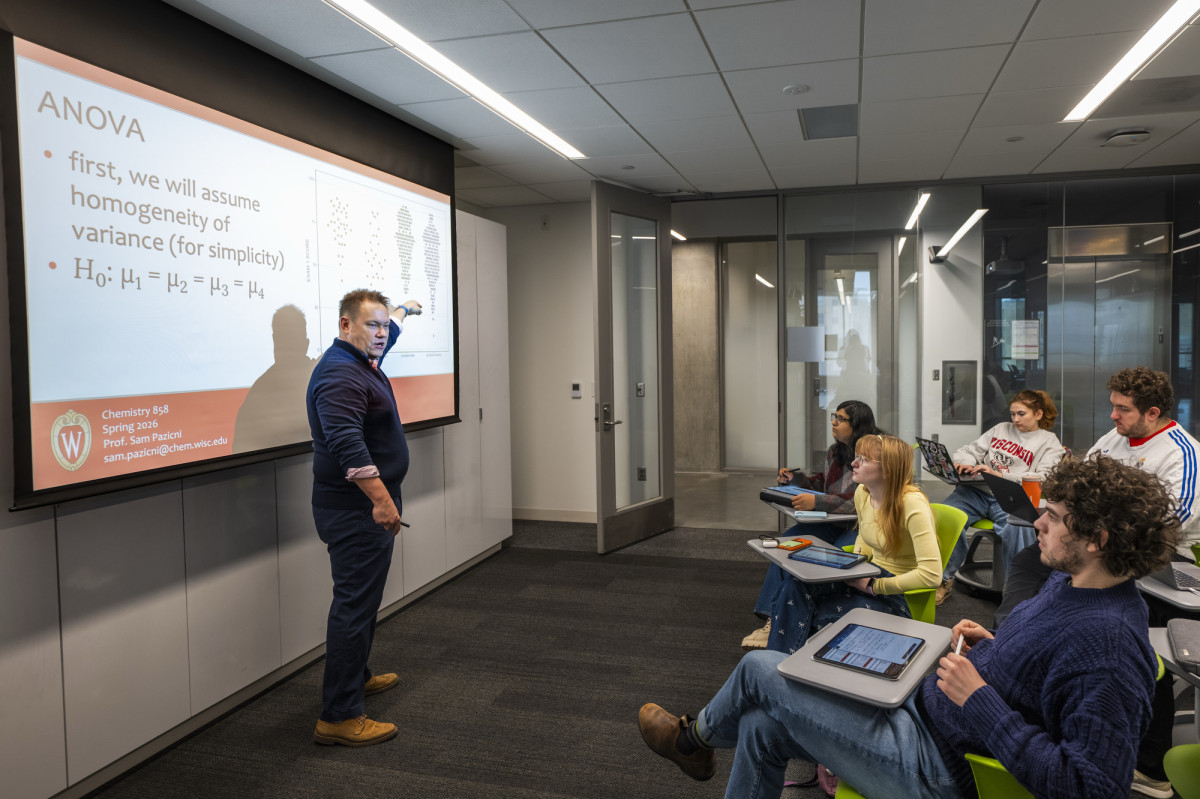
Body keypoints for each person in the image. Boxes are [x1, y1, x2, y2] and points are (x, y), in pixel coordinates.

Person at [637, 455, 1178, 799]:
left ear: (1098, 539)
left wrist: (979, 696)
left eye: (1054, 516)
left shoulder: (1107, 646)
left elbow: (1090, 787)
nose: (1037, 521)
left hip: (939, 767)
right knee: (759, 727)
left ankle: (692, 740)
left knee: (759, 669)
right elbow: (1043, 665)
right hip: (922, 712)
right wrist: (997, 647)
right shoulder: (1076, 583)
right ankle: (698, 744)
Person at [996, 367, 1200, 797]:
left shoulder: (1182, 452)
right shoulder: (1114, 440)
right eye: (1112, 405)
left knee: (1141, 646)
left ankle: (1151, 767)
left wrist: (1094, 540)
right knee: (1029, 563)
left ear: (1154, 412)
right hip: (1095, 545)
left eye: (1122, 409)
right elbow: (1084, 484)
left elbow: (1165, 525)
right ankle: (1014, 650)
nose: (1112, 416)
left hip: (1158, 561)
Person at [307, 288, 421, 747]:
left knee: (364, 601)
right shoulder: (340, 375)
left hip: (363, 507)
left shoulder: (361, 357)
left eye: (383, 325)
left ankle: (356, 676)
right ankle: (338, 716)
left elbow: (385, 330)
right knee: (354, 608)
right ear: (344, 326)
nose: (381, 334)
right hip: (358, 510)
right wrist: (381, 501)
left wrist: (400, 311)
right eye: (370, 325)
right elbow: (346, 444)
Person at [760, 434, 941, 654]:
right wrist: (853, 564)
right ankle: (775, 666)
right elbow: (865, 535)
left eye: (863, 460)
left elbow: (932, 575)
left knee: (806, 612)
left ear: (888, 469)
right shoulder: (863, 493)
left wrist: (876, 585)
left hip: (895, 595)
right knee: (793, 585)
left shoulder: (912, 504)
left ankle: (777, 669)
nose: (854, 464)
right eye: (856, 457)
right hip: (867, 575)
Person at [743, 401, 882, 648]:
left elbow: (857, 501)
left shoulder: (876, 452)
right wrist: (796, 479)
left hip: (861, 528)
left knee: (835, 557)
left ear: (856, 424)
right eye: (833, 416)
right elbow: (825, 485)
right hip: (833, 522)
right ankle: (772, 619)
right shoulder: (835, 451)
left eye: (840, 419)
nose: (834, 422)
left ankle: (809, 618)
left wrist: (817, 502)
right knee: (785, 545)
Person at [936, 389, 1064, 604]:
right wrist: (966, 462)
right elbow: (968, 450)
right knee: (944, 516)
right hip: (976, 491)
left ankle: (1016, 589)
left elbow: (1043, 477)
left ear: (1039, 414)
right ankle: (942, 580)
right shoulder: (1000, 429)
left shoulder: (1049, 442)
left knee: (1017, 528)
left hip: (1010, 496)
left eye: (1021, 414)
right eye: (1012, 414)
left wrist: (1000, 475)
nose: (1015, 419)